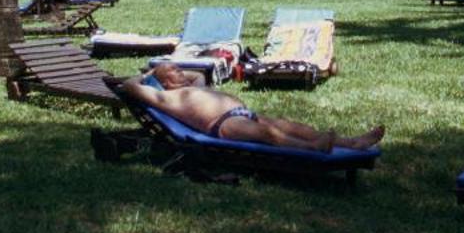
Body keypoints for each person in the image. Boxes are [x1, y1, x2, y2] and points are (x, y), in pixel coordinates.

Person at [119, 62, 384, 153]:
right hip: (224, 126)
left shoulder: (195, 86)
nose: (180, 71)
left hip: (242, 115)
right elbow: (130, 86)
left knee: (296, 126)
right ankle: (313, 148)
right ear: (164, 81)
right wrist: (150, 73)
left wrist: (170, 70)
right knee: (269, 136)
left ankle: (353, 143)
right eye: (173, 70)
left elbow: (195, 73)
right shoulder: (166, 98)